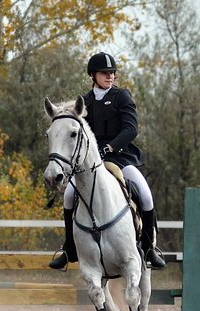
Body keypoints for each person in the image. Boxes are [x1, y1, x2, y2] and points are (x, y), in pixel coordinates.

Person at [49, 51, 166, 270]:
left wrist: (110, 146)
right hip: (91, 162)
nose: (110, 76)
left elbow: (131, 129)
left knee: (146, 195)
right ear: (93, 75)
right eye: (105, 73)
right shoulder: (84, 102)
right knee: (68, 195)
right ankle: (69, 249)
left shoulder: (122, 96)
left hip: (121, 156)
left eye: (112, 73)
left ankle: (150, 249)